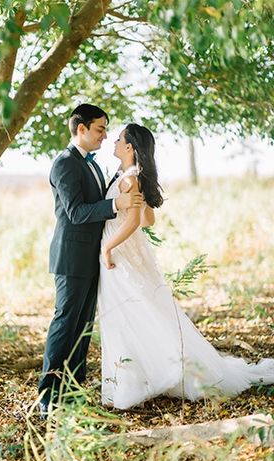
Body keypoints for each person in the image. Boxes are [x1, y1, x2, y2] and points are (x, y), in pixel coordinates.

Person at [98, 123, 274, 409]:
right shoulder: (133, 177)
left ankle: (139, 380)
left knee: (128, 313)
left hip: (120, 254)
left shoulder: (128, 180)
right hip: (132, 252)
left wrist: (107, 247)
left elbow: (132, 222)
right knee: (142, 310)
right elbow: (147, 221)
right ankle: (146, 373)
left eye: (118, 139)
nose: (113, 142)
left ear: (129, 147)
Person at [38, 104, 144, 414]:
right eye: (99, 129)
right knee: (65, 323)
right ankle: (47, 396)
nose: (105, 135)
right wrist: (116, 204)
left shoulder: (94, 165)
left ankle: (72, 390)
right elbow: (75, 212)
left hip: (93, 257)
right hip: (71, 257)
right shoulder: (65, 164)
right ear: (81, 129)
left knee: (83, 326)